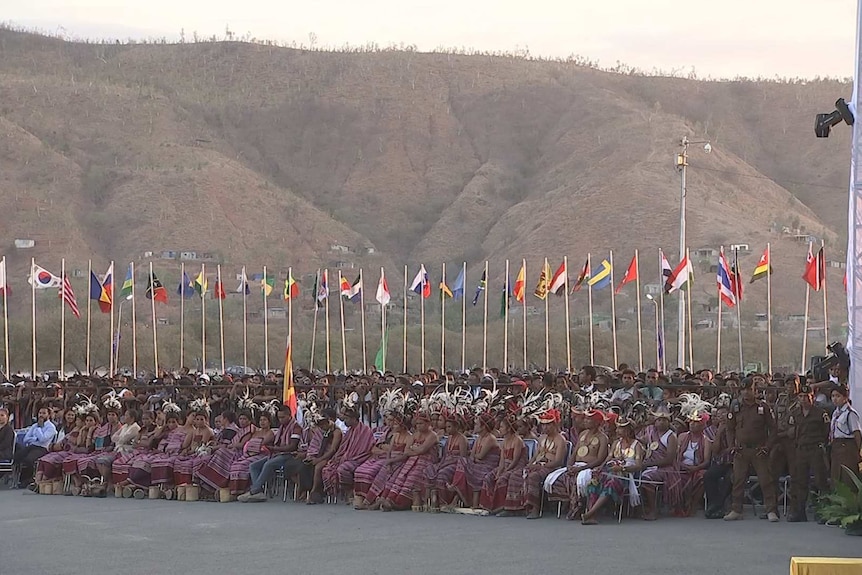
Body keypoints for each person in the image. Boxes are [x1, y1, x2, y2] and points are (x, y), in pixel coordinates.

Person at [724, 379, 779, 522]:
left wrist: (767, 446)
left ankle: (770, 510)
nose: (746, 392)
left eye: (749, 389)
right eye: (744, 390)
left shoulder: (763, 407)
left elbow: (773, 429)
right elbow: (729, 428)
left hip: (758, 450)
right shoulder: (736, 406)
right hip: (741, 450)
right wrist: (731, 446)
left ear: (755, 391)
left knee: (765, 480)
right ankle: (736, 509)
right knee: (738, 480)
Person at [582, 417, 644, 525]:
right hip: (611, 471)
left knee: (611, 484)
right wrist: (601, 467)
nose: (617, 431)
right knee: (594, 482)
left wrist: (622, 468)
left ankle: (590, 513)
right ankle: (592, 516)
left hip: (625, 475)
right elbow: (609, 458)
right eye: (618, 428)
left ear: (628, 430)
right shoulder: (616, 443)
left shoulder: (637, 445)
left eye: (621, 428)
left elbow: (638, 466)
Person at [549, 409, 609, 520]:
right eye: (585, 419)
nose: (585, 421)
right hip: (576, 466)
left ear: (597, 422)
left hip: (590, 468)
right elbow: (574, 454)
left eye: (588, 419)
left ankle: (577, 508)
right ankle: (570, 506)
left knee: (575, 479)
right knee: (561, 478)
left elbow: (600, 459)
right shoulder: (582, 434)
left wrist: (582, 468)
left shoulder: (603, 438)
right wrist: (569, 466)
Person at [239, 405, 302, 502]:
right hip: (277, 454)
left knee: (268, 464)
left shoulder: (296, 427)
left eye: (283, 417)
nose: (280, 420)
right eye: (279, 417)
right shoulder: (282, 427)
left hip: (289, 455)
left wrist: (274, 448)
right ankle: (259, 492)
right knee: (253, 466)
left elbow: (292, 446)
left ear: (289, 416)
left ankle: (253, 491)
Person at [377, 412, 439, 511]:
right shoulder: (414, 435)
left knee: (412, 477)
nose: (418, 426)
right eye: (417, 424)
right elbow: (407, 451)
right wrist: (416, 450)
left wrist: (415, 449)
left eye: (421, 423)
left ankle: (401, 502)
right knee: (402, 476)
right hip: (412, 460)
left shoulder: (432, 435)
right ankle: (390, 499)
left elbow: (422, 450)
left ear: (428, 424)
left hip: (426, 462)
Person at [787, 384, 829, 522]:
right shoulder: (795, 413)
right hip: (801, 450)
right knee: (800, 481)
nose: (804, 399)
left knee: (819, 481)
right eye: (801, 396)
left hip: (815, 449)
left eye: (807, 396)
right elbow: (792, 430)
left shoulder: (820, 413)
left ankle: (822, 511)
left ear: (813, 397)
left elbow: (826, 432)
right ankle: (800, 512)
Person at [321, 405, 375, 503]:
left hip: (360, 459)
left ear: (354, 419)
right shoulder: (350, 430)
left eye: (347, 419)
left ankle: (350, 492)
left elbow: (364, 449)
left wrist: (347, 457)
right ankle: (344, 492)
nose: (344, 421)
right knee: (328, 468)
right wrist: (339, 457)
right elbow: (343, 447)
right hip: (349, 458)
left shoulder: (365, 430)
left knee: (343, 468)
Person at [449, 412, 501, 509]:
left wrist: (475, 458)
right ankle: (457, 492)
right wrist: (475, 458)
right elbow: (473, 455)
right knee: (462, 461)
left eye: (477, 424)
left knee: (463, 463)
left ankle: (455, 487)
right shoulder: (479, 438)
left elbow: (480, 456)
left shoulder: (490, 438)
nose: (474, 425)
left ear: (483, 426)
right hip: (478, 464)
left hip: (487, 467)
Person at [522, 409, 567, 519]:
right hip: (538, 465)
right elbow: (535, 455)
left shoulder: (560, 440)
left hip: (552, 468)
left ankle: (535, 509)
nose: (544, 428)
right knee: (518, 474)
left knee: (533, 476)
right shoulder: (541, 438)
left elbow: (558, 461)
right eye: (543, 425)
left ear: (555, 425)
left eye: (548, 425)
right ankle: (519, 507)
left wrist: (542, 466)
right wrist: (530, 464)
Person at [354, 414, 407, 509]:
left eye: (395, 423)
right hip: (389, 460)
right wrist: (388, 462)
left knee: (390, 477)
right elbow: (388, 451)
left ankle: (382, 500)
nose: (392, 425)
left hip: (400, 461)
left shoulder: (408, 437)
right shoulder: (394, 435)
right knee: (378, 475)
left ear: (402, 425)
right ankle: (367, 501)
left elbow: (405, 454)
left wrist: (390, 460)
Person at [640, 407, 681, 520]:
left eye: (664, 420)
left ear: (668, 422)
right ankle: (640, 509)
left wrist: (648, 464)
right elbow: (642, 441)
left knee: (646, 478)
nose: (661, 422)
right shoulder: (650, 432)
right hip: (650, 465)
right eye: (659, 420)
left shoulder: (671, 436)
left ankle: (653, 510)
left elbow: (669, 459)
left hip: (666, 469)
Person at [480, 416, 526, 515]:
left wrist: (505, 471)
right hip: (505, 466)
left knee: (502, 479)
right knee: (488, 477)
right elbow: (502, 460)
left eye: (501, 427)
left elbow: (515, 460)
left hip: (516, 467)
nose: (499, 429)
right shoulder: (504, 442)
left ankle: (505, 507)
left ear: (509, 428)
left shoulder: (517, 440)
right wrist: (499, 471)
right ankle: (489, 506)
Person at [424, 413, 469, 510]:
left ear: (456, 427)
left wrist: (447, 463)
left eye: (449, 427)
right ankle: (428, 500)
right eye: (447, 427)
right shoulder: (449, 438)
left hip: (456, 465)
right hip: (446, 462)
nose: (447, 429)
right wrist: (441, 464)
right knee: (429, 469)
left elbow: (463, 458)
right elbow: (445, 455)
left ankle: (443, 501)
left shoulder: (462, 439)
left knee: (442, 474)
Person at [228, 412, 275, 496]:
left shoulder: (270, 433)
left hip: (263, 455)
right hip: (250, 454)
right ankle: (236, 491)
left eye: (264, 420)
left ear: (269, 422)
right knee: (235, 464)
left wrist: (253, 446)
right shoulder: (256, 432)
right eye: (261, 420)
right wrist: (251, 448)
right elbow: (249, 444)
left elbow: (261, 443)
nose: (262, 422)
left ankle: (247, 490)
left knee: (242, 466)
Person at [676, 410, 712, 517]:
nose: (692, 424)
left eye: (695, 422)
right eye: (691, 421)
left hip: (697, 468)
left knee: (701, 476)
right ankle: (679, 506)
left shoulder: (706, 440)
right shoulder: (682, 436)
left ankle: (693, 504)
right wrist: (681, 465)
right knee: (674, 477)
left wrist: (695, 468)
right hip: (681, 467)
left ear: (702, 425)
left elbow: (706, 461)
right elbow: (676, 456)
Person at [14, 406, 56, 488]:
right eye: (40, 413)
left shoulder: (51, 427)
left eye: (44, 413)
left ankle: (27, 480)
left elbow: (43, 439)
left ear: (48, 415)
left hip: (43, 448)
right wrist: (35, 438)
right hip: (32, 446)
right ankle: (16, 478)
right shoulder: (34, 426)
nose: (41, 415)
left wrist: (39, 428)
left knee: (29, 459)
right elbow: (26, 439)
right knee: (17, 456)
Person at [829, 385, 862, 492]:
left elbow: (857, 433)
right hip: (836, 447)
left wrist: (858, 451)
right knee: (836, 476)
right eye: (833, 396)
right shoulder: (836, 412)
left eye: (838, 396)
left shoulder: (850, 413)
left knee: (847, 478)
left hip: (847, 447)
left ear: (845, 397)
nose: (835, 399)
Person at [704, 407, 733, 518]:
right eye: (719, 416)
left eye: (724, 414)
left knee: (730, 477)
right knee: (709, 475)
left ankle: (718, 505)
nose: (722, 418)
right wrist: (719, 433)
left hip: (735, 462)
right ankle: (714, 504)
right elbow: (715, 451)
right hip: (721, 462)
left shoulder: (735, 427)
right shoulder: (713, 431)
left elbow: (733, 447)